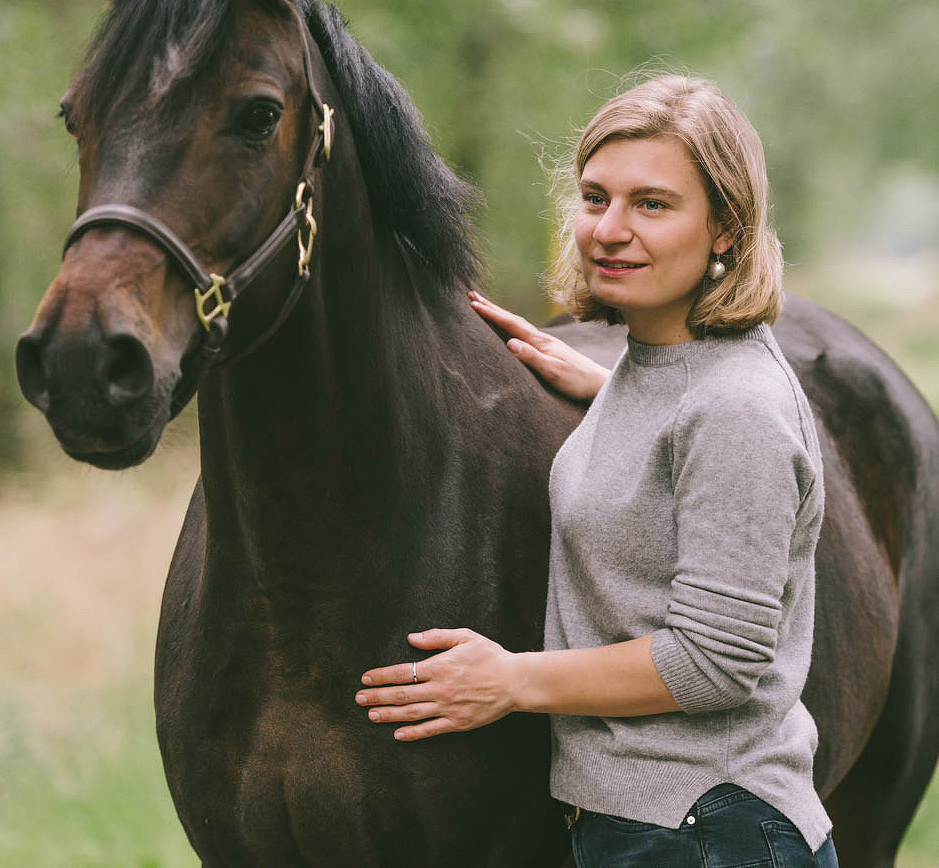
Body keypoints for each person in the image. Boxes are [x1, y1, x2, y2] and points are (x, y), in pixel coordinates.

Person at [355, 75, 838, 867]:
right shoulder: (667, 370)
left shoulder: (735, 407)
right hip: (660, 827)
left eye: (652, 204)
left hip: (712, 830)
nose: (608, 229)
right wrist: (612, 392)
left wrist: (512, 680)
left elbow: (712, 661)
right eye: (594, 197)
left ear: (725, 226)